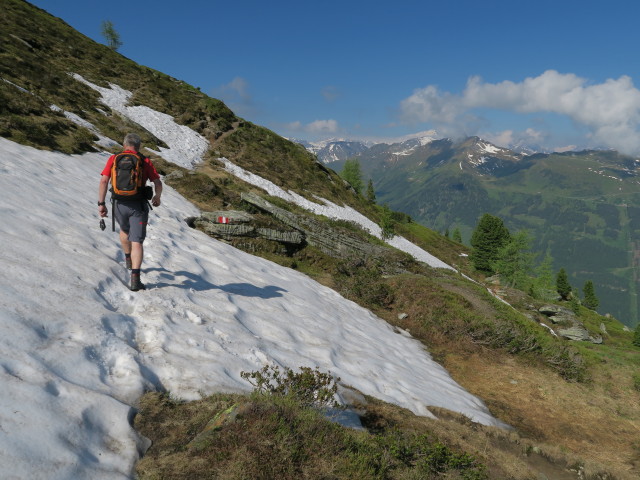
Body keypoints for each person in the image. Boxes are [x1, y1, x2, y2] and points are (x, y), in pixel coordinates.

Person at [98, 133, 162, 291]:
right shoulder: (144, 160)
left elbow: (104, 180)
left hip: (119, 204)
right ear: (138, 145)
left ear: (124, 144)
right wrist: (157, 196)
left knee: (124, 230)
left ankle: (128, 259)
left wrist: (101, 203)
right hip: (138, 205)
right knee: (137, 242)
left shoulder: (114, 159)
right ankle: (135, 280)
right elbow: (157, 182)